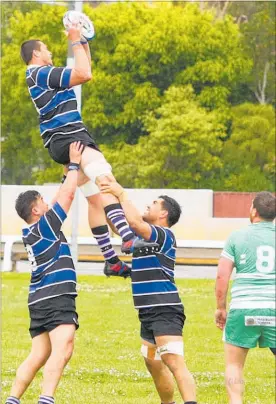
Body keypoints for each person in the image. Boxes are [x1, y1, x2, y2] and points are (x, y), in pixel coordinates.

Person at [20, 24, 134, 278]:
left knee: (94, 198)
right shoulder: (40, 73)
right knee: (105, 176)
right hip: (69, 135)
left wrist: (83, 41)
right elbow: (84, 74)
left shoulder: (41, 74)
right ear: (37, 54)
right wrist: (73, 40)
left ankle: (111, 260)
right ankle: (128, 236)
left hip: (61, 140)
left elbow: (85, 68)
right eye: (46, 49)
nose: (50, 52)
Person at [101, 181, 197, 404]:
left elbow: (133, 221)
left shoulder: (163, 235)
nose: (149, 205)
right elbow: (118, 226)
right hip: (146, 312)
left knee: (173, 362)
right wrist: (107, 198)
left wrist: (121, 193)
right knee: (152, 362)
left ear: (163, 213)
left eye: (154, 203)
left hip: (165, 309)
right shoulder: (141, 238)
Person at [5, 142, 85, 404]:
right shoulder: (46, 227)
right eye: (42, 201)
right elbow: (67, 197)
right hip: (55, 296)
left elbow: (57, 198)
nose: (47, 203)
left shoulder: (34, 230)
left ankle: (13, 399)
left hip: (39, 298)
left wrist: (65, 175)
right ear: (36, 210)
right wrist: (73, 164)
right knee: (64, 348)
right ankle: (46, 399)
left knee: (39, 354)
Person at [215, 191, 276, 404]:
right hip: (274, 308)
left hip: (244, 309)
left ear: (254, 210)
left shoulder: (237, 236)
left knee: (234, 365)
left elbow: (222, 276)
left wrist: (220, 308)